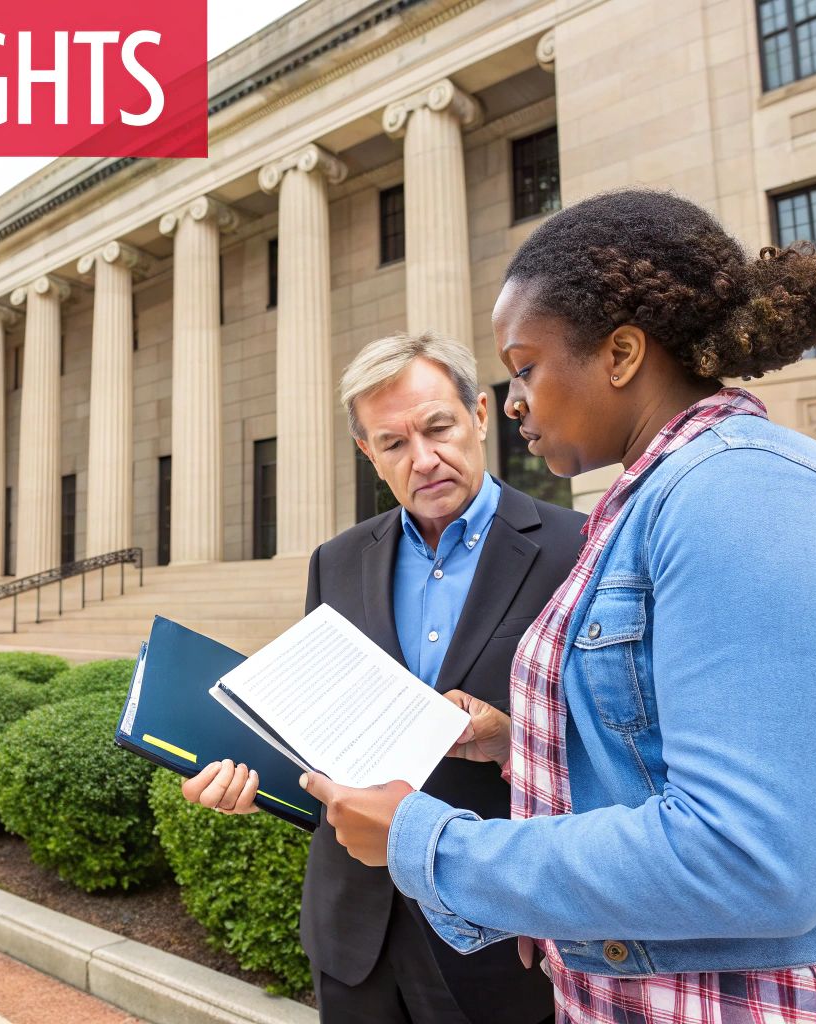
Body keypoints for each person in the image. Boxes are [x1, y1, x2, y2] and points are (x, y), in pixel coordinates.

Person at [301, 189, 816, 1023]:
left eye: (525, 366)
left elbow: (751, 857)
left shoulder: (743, 494)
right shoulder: (657, 499)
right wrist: (515, 742)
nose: (513, 402)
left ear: (619, 354)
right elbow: (660, 754)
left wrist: (432, 844)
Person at [184, 331, 585, 1023]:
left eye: (438, 427)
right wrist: (251, 782)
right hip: (354, 931)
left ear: (480, 417)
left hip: (499, 933)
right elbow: (320, 742)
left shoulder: (575, 548)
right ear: (368, 454)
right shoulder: (335, 562)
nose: (424, 459)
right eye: (393, 443)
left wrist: (512, 737)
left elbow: (615, 752)